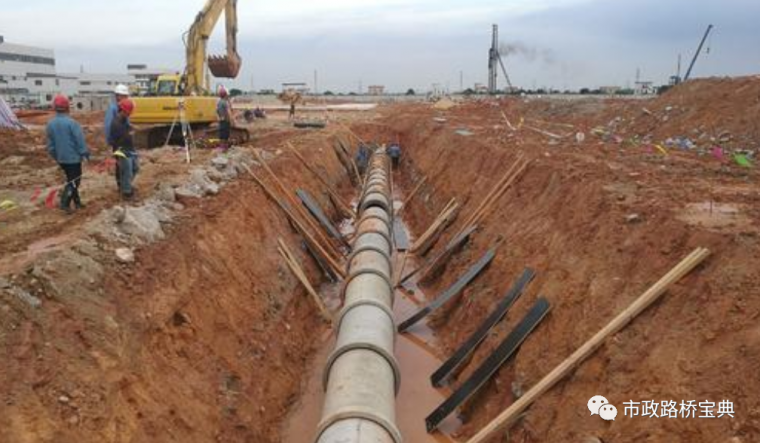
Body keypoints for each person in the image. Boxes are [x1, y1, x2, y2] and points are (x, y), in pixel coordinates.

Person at [46, 95, 90, 214]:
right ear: (67, 108)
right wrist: (85, 153)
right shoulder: (72, 123)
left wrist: (56, 156)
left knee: (72, 180)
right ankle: (65, 202)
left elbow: (50, 146)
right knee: (74, 181)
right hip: (73, 159)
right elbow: (79, 141)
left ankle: (77, 203)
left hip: (61, 159)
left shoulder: (50, 124)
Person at [110, 99, 139, 200]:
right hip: (122, 150)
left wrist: (130, 128)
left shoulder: (123, 120)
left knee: (135, 168)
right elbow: (115, 140)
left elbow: (126, 128)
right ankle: (127, 193)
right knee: (127, 172)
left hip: (130, 148)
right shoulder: (116, 123)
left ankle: (125, 185)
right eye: (128, 112)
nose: (129, 114)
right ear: (122, 110)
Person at [217, 86, 233, 151]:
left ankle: (223, 146)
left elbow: (217, 111)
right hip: (226, 120)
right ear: (225, 94)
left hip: (221, 120)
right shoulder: (224, 102)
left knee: (222, 134)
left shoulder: (219, 102)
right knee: (225, 134)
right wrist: (232, 120)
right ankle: (224, 147)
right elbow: (228, 112)